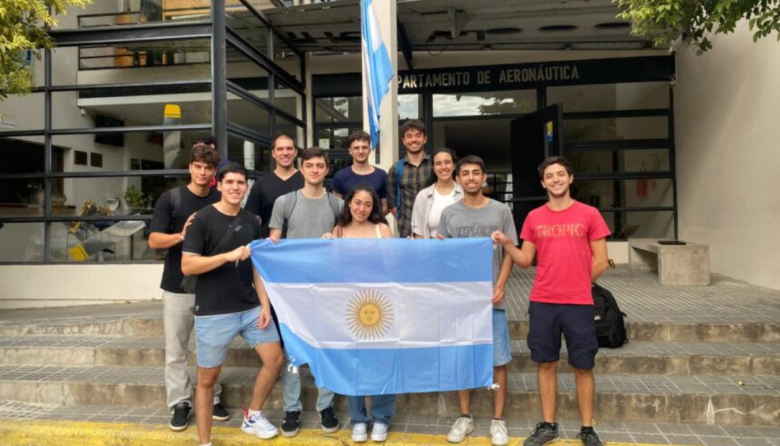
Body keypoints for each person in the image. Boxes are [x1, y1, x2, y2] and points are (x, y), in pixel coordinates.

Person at [493, 156, 610, 446]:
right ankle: (548, 425)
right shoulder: (534, 217)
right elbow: (525, 261)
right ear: (543, 182)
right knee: (546, 363)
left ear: (570, 179)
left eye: (561, 174)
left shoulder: (590, 214)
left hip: (580, 303)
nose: (555, 179)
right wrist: (508, 244)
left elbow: (602, 260)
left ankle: (586, 428)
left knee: (583, 365)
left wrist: (581, 284)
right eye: (549, 176)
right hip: (543, 301)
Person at [181, 163, 284, 446]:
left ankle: (253, 415)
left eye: (241, 183)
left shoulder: (251, 220)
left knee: (274, 360)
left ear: (246, 187)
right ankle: (205, 442)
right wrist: (227, 256)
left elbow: (256, 268)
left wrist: (264, 305)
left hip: (249, 307)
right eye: (230, 182)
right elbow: (188, 265)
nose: (236, 187)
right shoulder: (202, 219)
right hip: (214, 310)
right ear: (219, 185)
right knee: (207, 378)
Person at [148, 142, 229, 431]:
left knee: (211, 348)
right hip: (177, 286)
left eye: (208, 168)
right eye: (198, 167)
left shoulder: (221, 198)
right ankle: (180, 402)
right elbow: (154, 240)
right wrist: (182, 235)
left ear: (214, 171)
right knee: (177, 350)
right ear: (190, 168)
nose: (203, 172)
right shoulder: (172, 199)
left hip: (212, 286)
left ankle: (212, 396)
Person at [438, 155, 517, 446]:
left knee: (498, 361)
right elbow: (443, 256)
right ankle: (465, 416)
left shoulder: (500, 210)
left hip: (491, 299)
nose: (471, 178)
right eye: (465, 174)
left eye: (476, 173)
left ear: (484, 178)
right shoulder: (449, 213)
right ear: (457, 179)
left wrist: (500, 284)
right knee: (463, 358)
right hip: (460, 302)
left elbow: (510, 250)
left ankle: (498, 420)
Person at [268, 147, 343, 437]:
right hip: (292, 291)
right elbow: (274, 242)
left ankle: (325, 406)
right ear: (301, 169)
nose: (314, 170)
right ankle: (292, 409)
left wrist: (334, 239)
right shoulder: (285, 202)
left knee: (325, 348)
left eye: (320, 165)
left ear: (326, 170)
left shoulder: (336, 204)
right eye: (309, 165)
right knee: (293, 353)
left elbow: (346, 240)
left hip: (327, 289)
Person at [322, 184, 393, 442]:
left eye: (368, 204)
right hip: (349, 308)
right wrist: (325, 246)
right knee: (354, 364)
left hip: (380, 307)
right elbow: (332, 269)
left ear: (374, 207)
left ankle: (382, 417)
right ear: (349, 203)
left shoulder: (382, 230)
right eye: (358, 203)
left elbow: (394, 267)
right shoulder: (338, 231)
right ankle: (359, 419)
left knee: (383, 362)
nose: (362, 208)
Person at [245, 134, 304, 238]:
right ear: (273, 153)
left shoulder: (306, 181)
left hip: (301, 247)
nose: (285, 153)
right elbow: (252, 221)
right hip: (271, 248)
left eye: (289, 148)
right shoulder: (261, 183)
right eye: (280, 149)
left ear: (296, 152)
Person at [387, 119, 432, 238]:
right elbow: (391, 203)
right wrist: (403, 220)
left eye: (418, 135)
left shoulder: (435, 165)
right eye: (409, 136)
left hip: (434, 231)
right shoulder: (396, 169)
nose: (414, 140)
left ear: (425, 139)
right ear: (404, 141)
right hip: (407, 232)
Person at [332, 130, 389, 215]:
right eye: (356, 148)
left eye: (364, 147)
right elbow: (336, 208)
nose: (361, 151)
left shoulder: (382, 175)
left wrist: (372, 221)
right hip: (348, 226)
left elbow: (385, 206)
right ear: (350, 151)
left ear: (369, 150)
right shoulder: (340, 176)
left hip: (374, 226)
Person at [410, 147, 463, 239]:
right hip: (430, 251)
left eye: (447, 162)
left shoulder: (464, 193)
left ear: (454, 165)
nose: (443, 167)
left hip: (459, 250)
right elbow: (418, 232)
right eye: (438, 163)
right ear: (433, 168)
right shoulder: (423, 196)